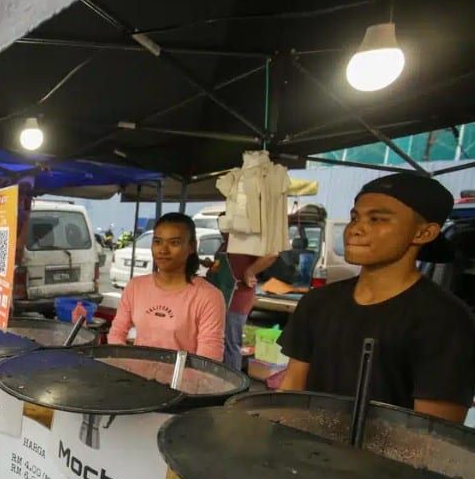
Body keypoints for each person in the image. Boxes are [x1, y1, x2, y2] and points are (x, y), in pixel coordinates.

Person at [279, 173, 474, 422]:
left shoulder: (447, 321)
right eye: (355, 217)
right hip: (304, 453)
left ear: (424, 233)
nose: (355, 229)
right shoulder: (317, 303)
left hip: (384, 460)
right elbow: (291, 389)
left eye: (377, 219)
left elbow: (433, 437)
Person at [108, 212, 225, 360]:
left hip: (183, 381)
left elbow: (209, 358)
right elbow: (116, 333)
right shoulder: (135, 287)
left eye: (174, 242)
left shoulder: (209, 296)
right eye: (157, 242)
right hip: (137, 379)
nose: (163, 250)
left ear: (191, 246)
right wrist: (125, 365)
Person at [206, 226, 278, 371]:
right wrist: (210, 265)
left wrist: (250, 271)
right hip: (221, 297)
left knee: (232, 342)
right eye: (220, 226)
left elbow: (272, 254)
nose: (222, 231)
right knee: (221, 339)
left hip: (237, 298)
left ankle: (232, 380)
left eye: (224, 227)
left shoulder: (246, 243)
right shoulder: (225, 244)